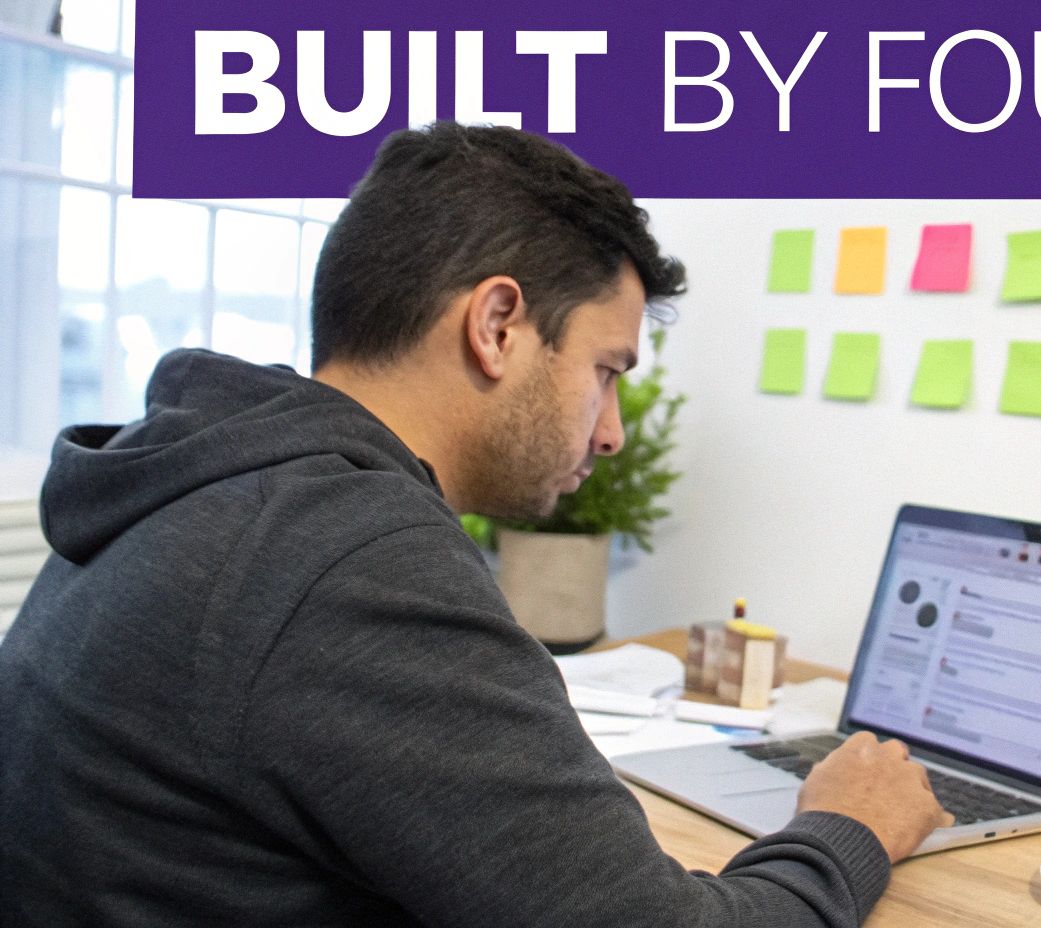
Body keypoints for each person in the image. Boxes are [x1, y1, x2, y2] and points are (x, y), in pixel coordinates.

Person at [0, 123, 950, 926]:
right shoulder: (349, 557)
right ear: (497, 324)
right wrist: (846, 824)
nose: (613, 432)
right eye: (608, 370)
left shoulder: (211, 481)